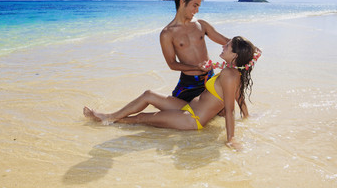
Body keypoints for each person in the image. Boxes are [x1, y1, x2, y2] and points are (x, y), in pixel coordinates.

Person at [84, 36, 261, 150]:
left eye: (228, 45)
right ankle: (109, 116)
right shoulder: (230, 70)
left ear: (235, 55)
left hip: (192, 119)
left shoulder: (230, 75)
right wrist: (247, 117)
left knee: (143, 118)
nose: (223, 45)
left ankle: (108, 120)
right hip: (187, 107)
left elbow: (230, 109)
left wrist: (231, 138)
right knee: (149, 94)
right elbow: (240, 96)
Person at [160, 0, 230, 102]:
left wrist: (250, 47)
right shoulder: (167, 33)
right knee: (177, 116)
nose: (197, 10)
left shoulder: (201, 24)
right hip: (188, 83)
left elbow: (226, 41)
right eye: (195, 5)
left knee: (220, 114)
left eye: (198, 6)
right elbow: (172, 64)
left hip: (209, 78)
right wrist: (195, 67)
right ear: (182, 2)